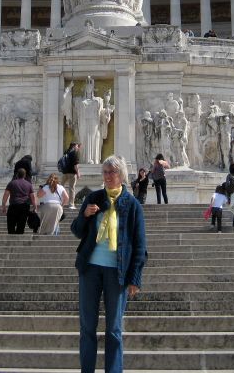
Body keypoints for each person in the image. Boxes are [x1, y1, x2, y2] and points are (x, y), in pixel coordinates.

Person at [71, 155, 146, 373]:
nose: (108, 177)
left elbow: (140, 245)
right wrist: (84, 215)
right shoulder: (93, 198)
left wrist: (135, 278)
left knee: (113, 329)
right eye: (105, 172)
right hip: (90, 269)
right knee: (87, 327)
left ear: (121, 175)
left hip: (118, 272)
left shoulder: (132, 206)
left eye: (112, 172)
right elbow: (76, 231)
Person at [1, 168, 37, 234]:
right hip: (24, 207)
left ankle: (11, 242)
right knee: (21, 227)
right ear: (25, 175)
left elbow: (5, 196)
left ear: (17, 175)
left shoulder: (11, 183)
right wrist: (35, 207)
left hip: (13, 206)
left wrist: (4, 207)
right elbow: (33, 197)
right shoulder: (29, 184)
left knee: (11, 227)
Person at [61, 143, 81, 209]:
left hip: (64, 173)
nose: (78, 148)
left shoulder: (66, 152)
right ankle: (71, 204)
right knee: (71, 188)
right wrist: (78, 173)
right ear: (74, 146)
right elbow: (76, 165)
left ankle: (60, 202)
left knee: (61, 187)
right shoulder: (74, 153)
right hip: (72, 173)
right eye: (77, 146)